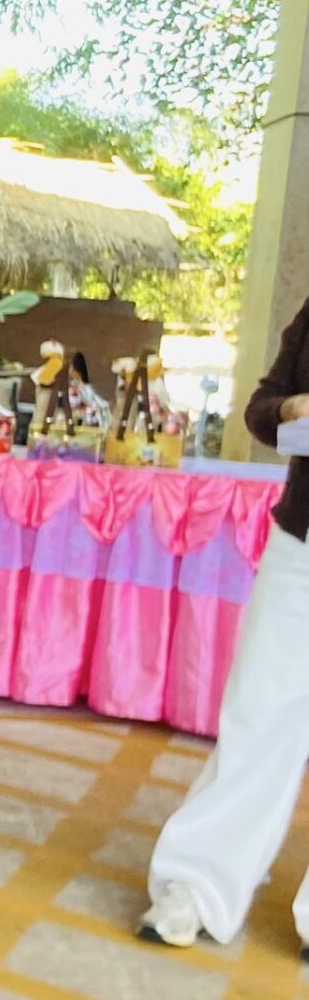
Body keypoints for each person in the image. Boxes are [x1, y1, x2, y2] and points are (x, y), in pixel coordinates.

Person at [139, 298, 309, 954]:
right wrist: (289, 411)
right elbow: (262, 407)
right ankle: (196, 886)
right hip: (300, 545)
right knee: (256, 713)